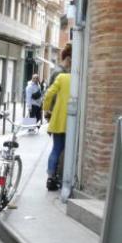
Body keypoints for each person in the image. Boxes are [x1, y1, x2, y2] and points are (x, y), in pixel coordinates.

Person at [43, 46, 72, 191]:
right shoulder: (62, 74)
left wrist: (47, 110)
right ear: (69, 58)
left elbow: (49, 94)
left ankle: (51, 177)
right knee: (63, 149)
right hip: (66, 119)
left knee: (57, 148)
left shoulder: (61, 75)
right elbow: (50, 94)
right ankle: (57, 178)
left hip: (57, 118)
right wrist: (47, 112)